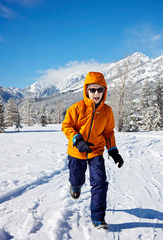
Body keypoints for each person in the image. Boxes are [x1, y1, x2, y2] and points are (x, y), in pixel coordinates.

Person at [61, 72, 124, 229]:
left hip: (96, 151)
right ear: (86, 90)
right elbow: (66, 126)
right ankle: (75, 187)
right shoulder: (76, 108)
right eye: (93, 90)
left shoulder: (107, 111)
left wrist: (113, 151)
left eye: (100, 90)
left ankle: (98, 218)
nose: (96, 94)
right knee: (77, 179)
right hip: (77, 152)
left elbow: (108, 132)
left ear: (104, 91)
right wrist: (78, 139)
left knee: (100, 182)